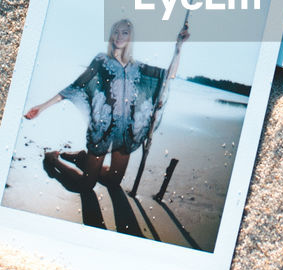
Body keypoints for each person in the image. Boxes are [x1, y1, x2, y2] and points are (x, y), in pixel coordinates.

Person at [26, 19, 188, 191]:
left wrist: (178, 48)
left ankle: (81, 159)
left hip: (126, 133)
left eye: (125, 33)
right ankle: (53, 160)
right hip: (102, 130)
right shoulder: (101, 61)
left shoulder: (138, 67)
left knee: (113, 181)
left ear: (131, 38)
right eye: (116, 32)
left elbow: (168, 76)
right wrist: (41, 107)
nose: (119, 36)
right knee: (86, 186)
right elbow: (75, 87)